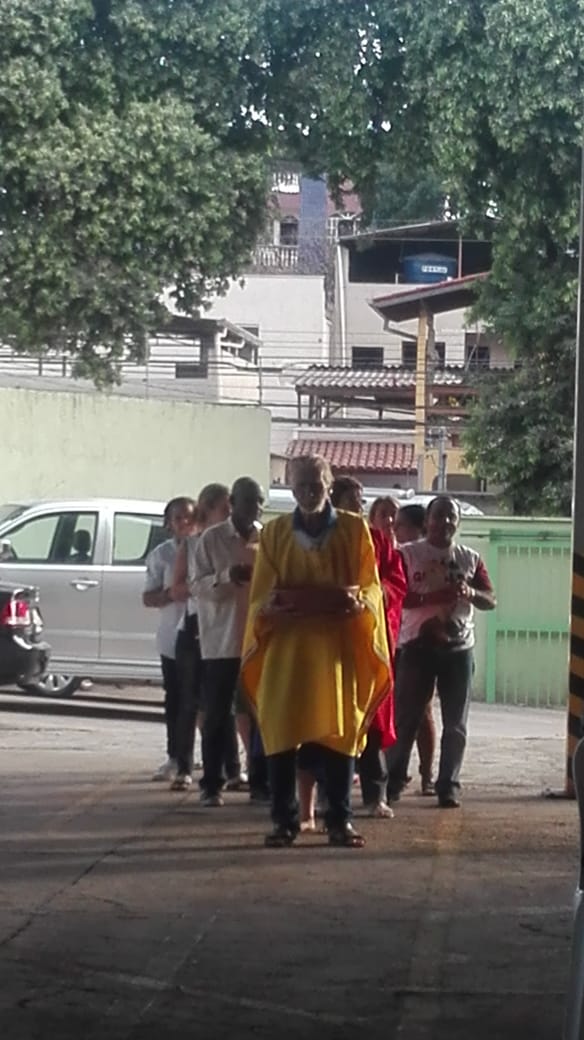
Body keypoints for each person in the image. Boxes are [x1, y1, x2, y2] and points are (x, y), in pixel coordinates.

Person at [241, 454, 391, 849]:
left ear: (329, 485)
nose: (308, 493)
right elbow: (261, 596)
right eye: (301, 486)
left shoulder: (355, 530)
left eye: (316, 485)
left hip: (336, 651)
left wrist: (359, 603)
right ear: (290, 488)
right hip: (287, 652)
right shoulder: (275, 533)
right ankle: (284, 822)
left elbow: (370, 586)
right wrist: (271, 607)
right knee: (280, 733)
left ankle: (340, 820)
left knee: (340, 732)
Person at [386, 495, 497, 809]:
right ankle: (392, 782)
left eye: (451, 516)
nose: (444, 522)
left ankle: (448, 786)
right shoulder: (407, 554)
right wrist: (435, 597)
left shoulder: (470, 558)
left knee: (455, 723)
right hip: (416, 647)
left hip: (459, 649)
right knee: (406, 719)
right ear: (427, 521)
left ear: (458, 522)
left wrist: (470, 593)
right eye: (438, 516)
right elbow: (396, 595)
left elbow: (490, 599)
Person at [330, 477, 406, 820]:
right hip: (331, 640)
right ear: (335, 501)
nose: (358, 507)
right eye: (352, 500)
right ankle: (329, 796)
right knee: (331, 718)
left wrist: (373, 595)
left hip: (369, 639)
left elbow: (395, 581)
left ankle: (376, 795)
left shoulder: (376, 539)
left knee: (372, 718)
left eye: (361, 501)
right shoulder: (322, 539)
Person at [193, 477, 264, 807]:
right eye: (249, 501)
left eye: (259, 501)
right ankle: (212, 784)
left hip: (258, 642)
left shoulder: (267, 537)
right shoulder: (212, 539)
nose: (256, 508)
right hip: (221, 640)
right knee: (217, 716)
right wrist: (226, 576)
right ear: (233, 503)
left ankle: (261, 783)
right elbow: (197, 585)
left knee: (260, 716)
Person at [170, 483, 231, 792]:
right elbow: (177, 588)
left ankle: (229, 768)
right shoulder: (193, 544)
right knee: (190, 700)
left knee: (221, 701)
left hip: (224, 624)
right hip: (196, 624)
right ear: (208, 510)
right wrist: (206, 586)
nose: (230, 514)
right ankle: (183, 766)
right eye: (224, 508)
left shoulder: (232, 541)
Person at [143, 496, 197, 781]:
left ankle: (209, 760)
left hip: (200, 635)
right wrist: (169, 594)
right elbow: (148, 597)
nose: (184, 523)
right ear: (169, 523)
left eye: (190, 517)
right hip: (171, 636)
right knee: (175, 698)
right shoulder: (161, 555)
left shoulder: (205, 548)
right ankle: (175, 757)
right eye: (178, 518)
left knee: (200, 701)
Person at [393, 503, 436, 795]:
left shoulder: (426, 558)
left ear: (419, 528)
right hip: (397, 638)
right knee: (401, 711)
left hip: (420, 640)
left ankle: (426, 774)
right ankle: (399, 772)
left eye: (401, 524)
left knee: (421, 711)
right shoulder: (397, 556)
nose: (395, 529)